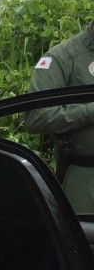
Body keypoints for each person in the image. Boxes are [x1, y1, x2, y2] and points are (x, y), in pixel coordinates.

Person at [24, 20, 94, 213]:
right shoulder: (62, 57)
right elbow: (35, 116)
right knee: (83, 240)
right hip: (84, 177)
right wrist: (89, 112)